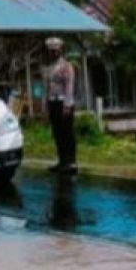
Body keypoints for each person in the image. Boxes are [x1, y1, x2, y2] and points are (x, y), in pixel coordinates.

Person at [43, 37, 77, 175]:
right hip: (53, 102)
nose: (54, 53)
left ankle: (71, 162)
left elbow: (69, 86)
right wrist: (45, 107)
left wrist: (67, 105)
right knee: (57, 133)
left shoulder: (66, 66)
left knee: (67, 133)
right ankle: (62, 161)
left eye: (56, 50)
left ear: (61, 50)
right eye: (51, 51)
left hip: (64, 101)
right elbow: (47, 88)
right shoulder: (48, 68)